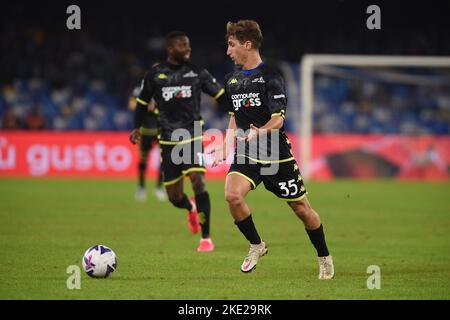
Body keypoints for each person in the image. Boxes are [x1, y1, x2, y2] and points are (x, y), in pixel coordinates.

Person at [210, 20, 334, 278]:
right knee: (232, 195)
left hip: (276, 155)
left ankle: (324, 256)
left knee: (302, 210)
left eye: (231, 45)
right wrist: (224, 144)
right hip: (246, 152)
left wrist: (261, 130)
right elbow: (234, 115)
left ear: (248, 44)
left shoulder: (271, 77)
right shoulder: (231, 80)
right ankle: (256, 244)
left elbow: (279, 119)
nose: (228, 51)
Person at [130, 31, 226, 252]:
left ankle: (206, 238)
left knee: (198, 181)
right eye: (183, 46)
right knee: (174, 196)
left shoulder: (197, 73)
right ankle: (189, 206)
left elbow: (221, 96)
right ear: (171, 49)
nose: (188, 49)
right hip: (168, 140)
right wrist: (136, 127)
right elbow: (142, 103)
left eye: (189, 46)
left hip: (192, 135)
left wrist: (236, 113)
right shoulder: (154, 75)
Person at [128, 86, 166, 202]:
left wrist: (154, 108)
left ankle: (159, 188)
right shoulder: (138, 91)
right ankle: (141, 188)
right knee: (143, 159)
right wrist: (144, 106)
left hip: (160, 130)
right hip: (145, 131)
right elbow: (131, 105)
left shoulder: (162, 89)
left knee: (163, 159)